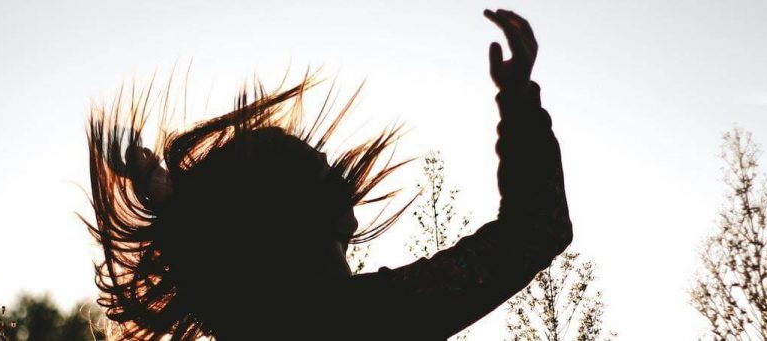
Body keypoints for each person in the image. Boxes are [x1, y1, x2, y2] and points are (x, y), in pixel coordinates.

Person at [84, 9, 572, 340]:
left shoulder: (243, 316)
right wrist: (519, 97)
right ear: (298, 218)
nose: (343, 181)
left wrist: (165, 190)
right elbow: (536, 229)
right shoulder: (366, 319)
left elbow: (223, 227)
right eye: (321, 172)